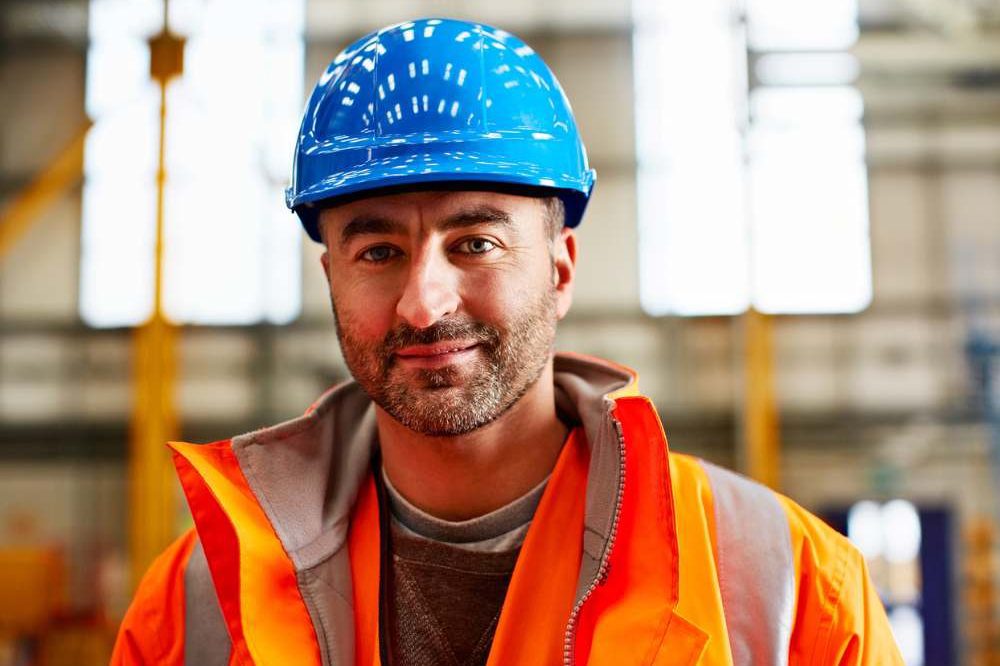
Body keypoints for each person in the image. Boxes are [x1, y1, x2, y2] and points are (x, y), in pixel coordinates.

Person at [112, 18, 903, 665]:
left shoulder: (790, 585)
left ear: (561, 269)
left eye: (476, 243)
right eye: (378, 252)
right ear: (331, 280)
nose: (424, 305)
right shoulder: (196, 606)